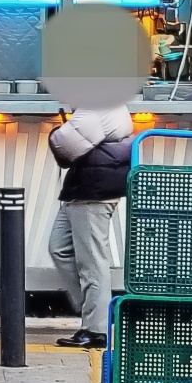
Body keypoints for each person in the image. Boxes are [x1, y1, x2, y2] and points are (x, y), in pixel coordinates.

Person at [47, 104, 135, 348]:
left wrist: (57, 131)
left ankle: (96, 330)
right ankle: (96, 309)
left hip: (93, 190)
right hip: (84, 188)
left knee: (92, 262)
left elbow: (64, 148)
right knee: (59, 248)